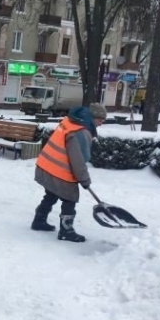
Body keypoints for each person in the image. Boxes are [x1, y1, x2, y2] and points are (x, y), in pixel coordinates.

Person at [30, 103, 107, 243]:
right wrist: (84, 180)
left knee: (51, 194)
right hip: (59, 170)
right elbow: (78, 161)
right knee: (70, 199)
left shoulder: (71, 121)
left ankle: (39, 220)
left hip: (46, 165)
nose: (101, 124)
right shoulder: (81, 132)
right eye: (100, 121)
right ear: (92, 117)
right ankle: (66, 231)